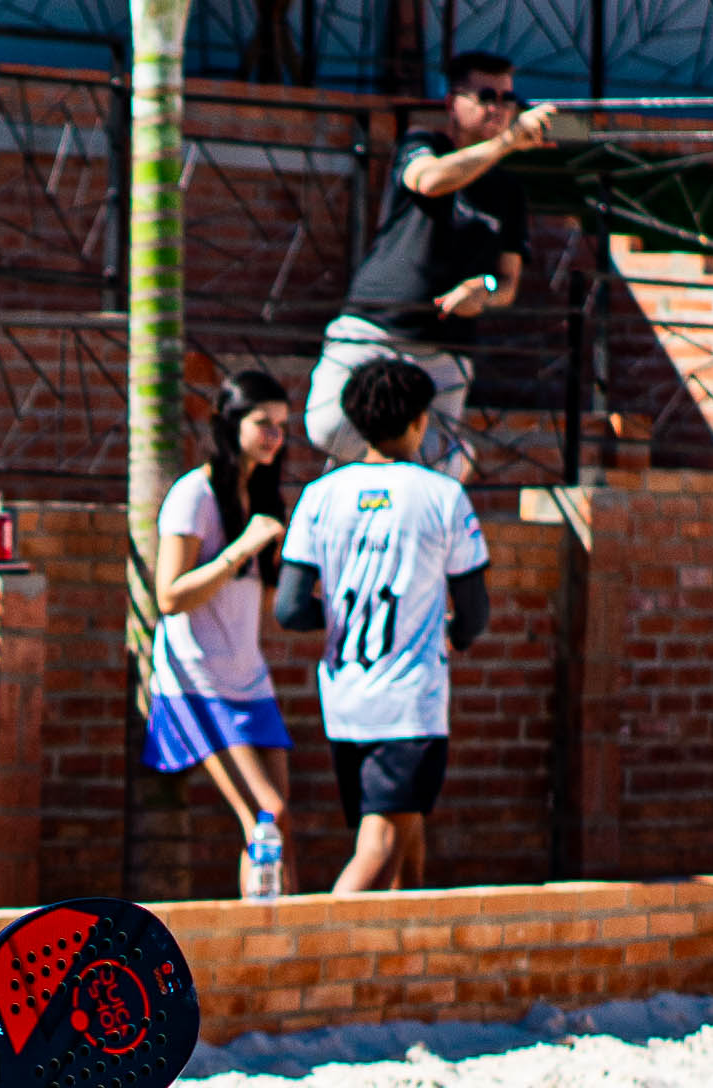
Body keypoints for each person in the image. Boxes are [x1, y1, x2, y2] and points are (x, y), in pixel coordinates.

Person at [276, 357, 489, 893]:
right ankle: (317, 959)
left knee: (406, 832)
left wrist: (342, 616)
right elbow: (475, 608)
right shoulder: (442, 495)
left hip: (345, 699)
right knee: (380, 847)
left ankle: (406, 969)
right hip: (409, 699)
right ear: (420, 420)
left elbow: (290, 608)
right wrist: (457, 634)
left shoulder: (320, 495)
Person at [304, 49, 551, 480]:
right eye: (485, 95)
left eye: (508, 99)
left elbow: (507, 281)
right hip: (375, 326)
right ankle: (366, 481)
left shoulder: (509, 191)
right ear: (451, 102)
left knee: (439, 469)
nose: (498, 108)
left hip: (444, 348)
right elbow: (431, 180)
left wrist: (486, 290)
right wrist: (508, 141)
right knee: (327, 427)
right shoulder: (421, 143)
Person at [146, 369, 298, 896]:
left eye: (281, 425)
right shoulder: (195, 494)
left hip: (248, 676)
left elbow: (267, 596)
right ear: (231, 424)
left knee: (283, 826)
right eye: (263, 423)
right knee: (265, 813)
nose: (275, 435)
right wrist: (242, 547)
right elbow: (168, 597)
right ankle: (263, 943)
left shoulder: (260, 493)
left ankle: (290, 941)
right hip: (196, 677)